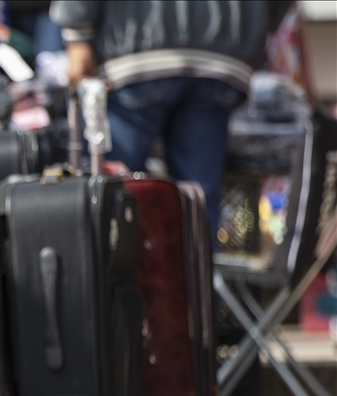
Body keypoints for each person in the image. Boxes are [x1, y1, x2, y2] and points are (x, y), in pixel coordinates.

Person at [51, 0, 292, 232]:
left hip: (134, 45)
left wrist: (77, 34)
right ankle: (197, 272)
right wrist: (256, 18)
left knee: (111, 196)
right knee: (197, 200)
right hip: (225, 49)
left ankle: (116, 271)